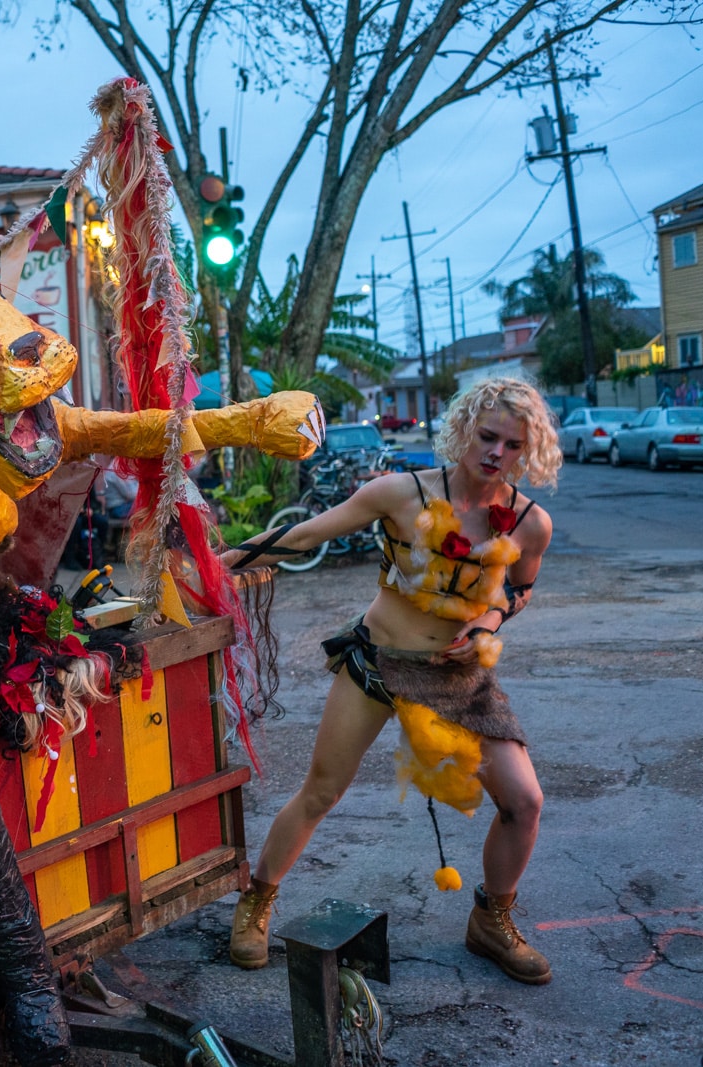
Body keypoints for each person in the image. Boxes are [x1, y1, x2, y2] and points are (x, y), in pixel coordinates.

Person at [221, 377, 560, 985]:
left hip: (456, 677)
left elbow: (519, 588)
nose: (496, 453)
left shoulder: (530, 524)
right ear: (462, 429)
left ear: (528, 451)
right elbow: (301, 537)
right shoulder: (399, 494)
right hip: (376, 663)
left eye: (512, 445)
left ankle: (491, 920)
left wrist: (487, 621)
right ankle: (257, 903)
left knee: (525, 801)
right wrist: (214, 563)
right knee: (320, 792)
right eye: (487, 437)